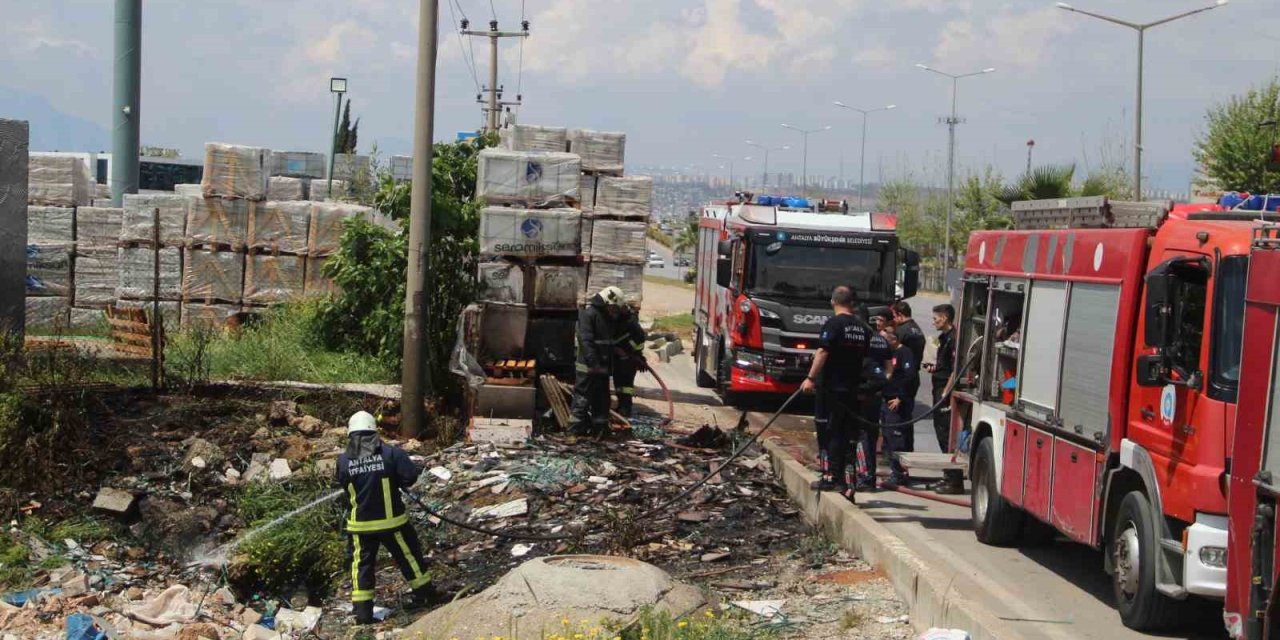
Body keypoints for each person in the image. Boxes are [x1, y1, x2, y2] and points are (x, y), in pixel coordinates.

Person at [336, 411, 434, 625]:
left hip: (360, 526)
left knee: (361, 567)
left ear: (350, 434)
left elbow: (343, 483)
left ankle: (363, 613)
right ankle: (425, 596)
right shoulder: (391, 453)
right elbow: (410, 476)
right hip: (392, 524)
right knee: (408, 557)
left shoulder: (343, 461)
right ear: (375, 431)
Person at [800, 286, 872, 498]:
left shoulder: (833, 324)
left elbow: (823, 351)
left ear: (833, 301)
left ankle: (831, 476)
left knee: (829, 432)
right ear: (852, 303)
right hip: (852, 388)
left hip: (831, 387)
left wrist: (810, 378)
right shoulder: (862, 328)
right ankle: (844, 479)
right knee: (845, 434)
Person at [570, 286, 626, 435]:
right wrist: (594, 364)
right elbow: (586, 342)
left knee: (602, 401)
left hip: (602, 368)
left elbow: (606, 342)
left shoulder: (605, 317)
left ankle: (600, 432)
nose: (614, 312)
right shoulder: (589, 314)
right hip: (588, 368)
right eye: (614, 308)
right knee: (582, 400)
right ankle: (573, 433)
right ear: (608, 302)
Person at [924, 304, 964, 495]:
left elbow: (956, 369)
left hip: (944, 393)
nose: (934, 322)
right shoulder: (944, 338)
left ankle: (955, 481)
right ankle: (948, 476)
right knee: (940, 433)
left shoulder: (953, 339)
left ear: (945, 317)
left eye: (936, 318)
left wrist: (945, 393)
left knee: (946, 435)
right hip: (938, 387)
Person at [853, 305, 890, 491]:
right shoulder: (881, 340)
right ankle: (870, 475)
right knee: (872, 435)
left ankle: (864, 476)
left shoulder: (860, 339)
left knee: (861, 436)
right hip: (876, 394)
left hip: (861, 393)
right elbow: (889, 367)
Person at [881, 328, 918, 489]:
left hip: (897, 402)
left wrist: (900, 398)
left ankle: (900, 473)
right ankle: (895, 471)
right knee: (888, 437)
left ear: (894, 340)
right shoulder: (890, 354)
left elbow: (910, 377)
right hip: (887, 400)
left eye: (885, 341)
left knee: (897, 438)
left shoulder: (905, 353)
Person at [611, 305, 648, 418]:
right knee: (618, 384)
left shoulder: (630, 321)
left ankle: (625, 408)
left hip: (629, 359)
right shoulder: (616, 320)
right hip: (619, 358)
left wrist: (629, 351)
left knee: (626, 385)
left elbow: (640, 339)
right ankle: (621, 406)